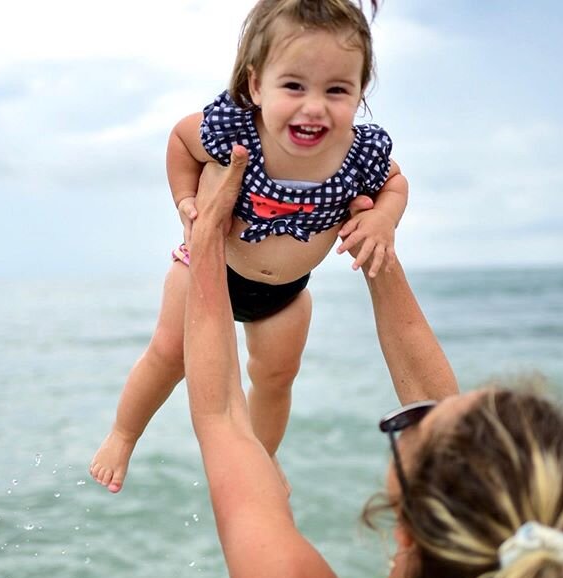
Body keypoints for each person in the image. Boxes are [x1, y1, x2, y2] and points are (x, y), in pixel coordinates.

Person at [184, 147, 563, 578]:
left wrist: (208, 227)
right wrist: (374, 244)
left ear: (404, 527)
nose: (427, 409)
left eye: (413, 424)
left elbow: (225, 417)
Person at [91, 0, 410, 493]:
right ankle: (122, 435)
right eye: (294, 86)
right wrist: (183, 200)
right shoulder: (236, 131)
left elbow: (395, 184)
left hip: (285, 293)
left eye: (337, 89)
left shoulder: (359, 153)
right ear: (257, 85)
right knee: (168, 355)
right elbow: (180, 139)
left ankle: (263, 457)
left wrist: (384, 220)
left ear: (360, 91)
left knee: (277, 377)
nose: (314, 106)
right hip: (206, 268)